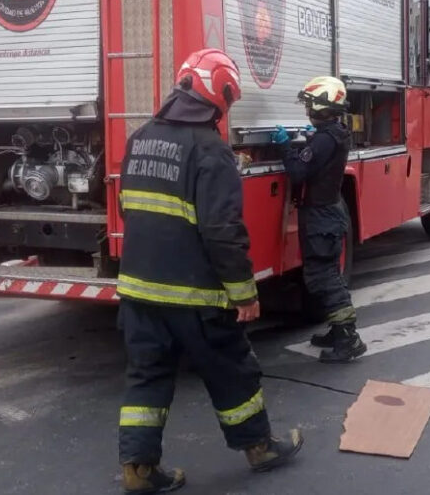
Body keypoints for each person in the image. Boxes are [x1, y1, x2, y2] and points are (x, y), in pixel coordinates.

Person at [116, 49, 303, 494]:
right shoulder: (211, 151)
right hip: (195, 297)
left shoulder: (139, 137)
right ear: (219, 95)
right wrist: (244, 294)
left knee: (147, 375)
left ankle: (137, 471)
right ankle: (259, 447)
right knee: (232, 370)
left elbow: (128, 208)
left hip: (138, 290)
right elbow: (223, 233)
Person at [271, 76, 367, 363]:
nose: (307, 110)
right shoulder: (334, 133)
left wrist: (285, 147)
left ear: (323, 107)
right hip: (326, 213)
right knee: (325, 274)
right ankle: (338, 331)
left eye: (310, 105)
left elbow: (300, 172)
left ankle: (348, 337)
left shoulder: (326, 139)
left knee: (323, 277)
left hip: (322, 216)